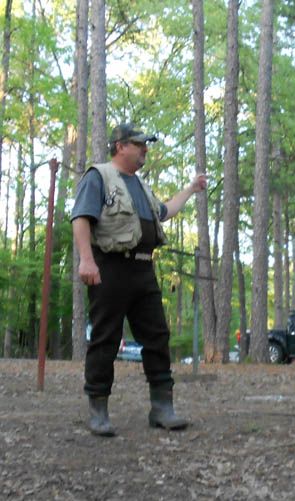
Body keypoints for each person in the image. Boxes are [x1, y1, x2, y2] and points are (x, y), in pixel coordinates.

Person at [71, 123, 206, 436]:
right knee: (105, 338)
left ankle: (162, 407)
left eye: (146, 144)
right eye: (139, 144)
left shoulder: (141, 186)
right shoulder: (99, 176)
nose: (145, 149)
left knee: (157, 336)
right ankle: (98, 410)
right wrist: (86, 260)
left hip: (143, 271)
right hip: (110, 268)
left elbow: (165, 211)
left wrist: (191, 189)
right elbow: (81, 217)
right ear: (120, 146)